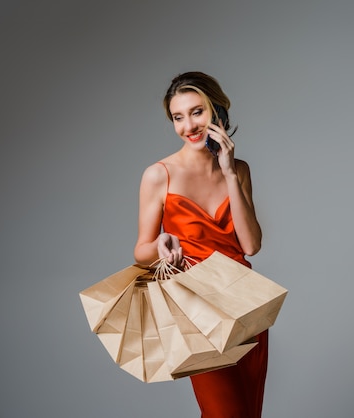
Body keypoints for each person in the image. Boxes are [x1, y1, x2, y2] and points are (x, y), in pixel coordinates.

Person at [134, 71, 268, 417]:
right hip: (196, 309)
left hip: (244, 305)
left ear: (218, 112)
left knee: (250, 413)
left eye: (197, 112)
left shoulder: (238, 169)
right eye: (178, 117)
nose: (188, 126)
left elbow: (251, 246)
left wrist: (228, 172)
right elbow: (141, 251)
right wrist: (161, 244)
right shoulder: (158, 174)